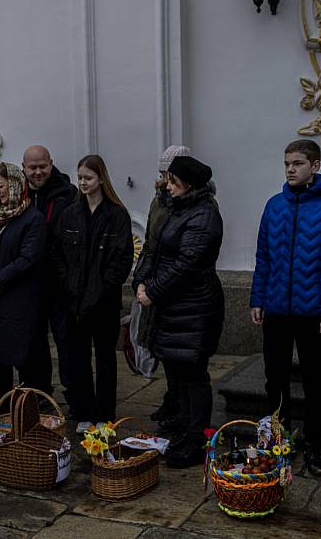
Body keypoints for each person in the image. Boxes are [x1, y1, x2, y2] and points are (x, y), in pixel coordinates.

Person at [250, 139, 321, 477]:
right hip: (277, 311)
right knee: (274, 378)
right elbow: (264, 256)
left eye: (297, 163)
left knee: (314, 382)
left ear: (315, 166)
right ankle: (281, 441)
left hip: (314, 315)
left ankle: (314, 444)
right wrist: (258, 298)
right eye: (287, 164)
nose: (290, 169)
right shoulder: (274, 205)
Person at [133, 155, 224, 468]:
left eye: (173, 182)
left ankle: (196, 435)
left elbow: (187, 264)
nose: (167, 186)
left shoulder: (204, 214)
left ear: (189, 185)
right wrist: (140, 282)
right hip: (170, 306)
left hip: (193, 307)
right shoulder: (174, 208)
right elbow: (152, 248)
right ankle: (183, 426)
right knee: (175, 370)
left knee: (192, 373)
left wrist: (153, 291)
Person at [52, 155, 133, 431]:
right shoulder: (71, 214)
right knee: (79, 360)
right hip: (74, 301)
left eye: (88, 177)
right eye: (80, 178)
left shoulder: (116, 215)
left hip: (103, 302)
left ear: (100, 179)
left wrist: (104, 287)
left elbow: (122, 259)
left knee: (106, 360)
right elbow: (58, 253)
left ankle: (105, 415)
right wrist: (66, 283)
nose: (83, 183)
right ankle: (85, 411)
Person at [0, 163, 45, 403]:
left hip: (18, 301)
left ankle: (26, 415)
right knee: (0, 363)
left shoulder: (32, 219)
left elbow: (28, 258)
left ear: (15, 185)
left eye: (1, 186)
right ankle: (1, 414)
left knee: (25, 363)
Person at [134, 145, 191, 425]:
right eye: (161, 174)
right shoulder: (158, 202)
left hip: (179, 291)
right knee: (164, 350)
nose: (162, 180)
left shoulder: (197, 205)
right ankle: (172, 398)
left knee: (184, 358)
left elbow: (187, 256)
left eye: (167, 174)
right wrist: (141, 279)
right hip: (156, 286)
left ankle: (183, 406)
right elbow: (149, 243)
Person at [22, 145, 77, 397]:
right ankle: (40, 392)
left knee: (67, 341)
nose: (37, 172)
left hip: (58, 282)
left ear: (51, 163)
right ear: (23, 167)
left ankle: (74, 392)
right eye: (32, 167)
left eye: (42, 166)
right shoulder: (17, 194)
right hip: (29, 282)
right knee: (33, 341)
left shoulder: (68, 194)